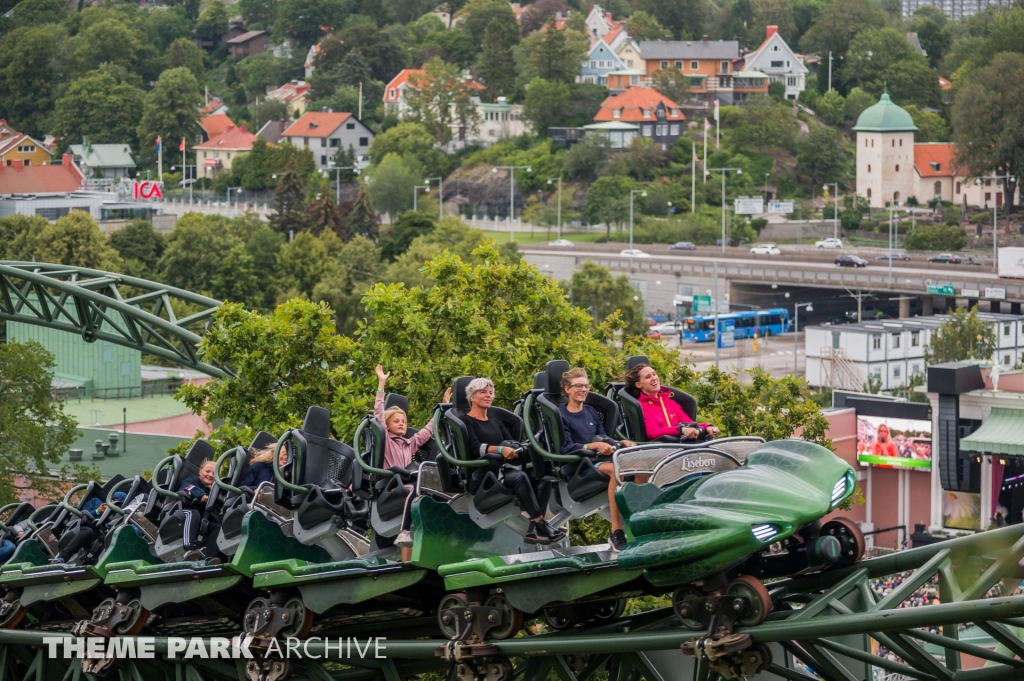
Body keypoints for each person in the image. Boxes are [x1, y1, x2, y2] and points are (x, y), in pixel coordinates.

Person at [462, 377, 564, 544]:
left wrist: (523, 449)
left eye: (490, 392)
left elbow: (512, 445)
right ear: (472, 397)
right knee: (520, 477)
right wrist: (501, 449)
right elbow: (475, 447)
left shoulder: (496, 422)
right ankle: (540, 523)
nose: (488, 395)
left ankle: (532, 529)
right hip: (485, 476)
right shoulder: (466, 422)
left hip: (505, 469)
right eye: (483, 392)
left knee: (544, 476)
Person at [374, 365, 452, 561]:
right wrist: (381, 384)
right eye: (397, 421)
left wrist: (443, 407)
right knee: (413, 490)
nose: (402, 424)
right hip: (392, 487)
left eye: (404, 421)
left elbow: (429, 430)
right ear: (389, 426)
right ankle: (404, 531)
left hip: (409, 481)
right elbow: (378, 417)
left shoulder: (411, 443)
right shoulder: (386, 441)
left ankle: (442, 536)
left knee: (436, 494)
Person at [558, 367, 637, 551]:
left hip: (600, 460)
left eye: (586, 386)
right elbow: (566, 448)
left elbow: (602, 438)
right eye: (578, 386)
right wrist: (591, 446)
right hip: (581, 467)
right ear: (567, 389)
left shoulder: (592, 412)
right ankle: (616, 530)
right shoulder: (561, 416)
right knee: (615, 470)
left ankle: (638, 520)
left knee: (638, 466)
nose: (583, 390)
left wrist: (620, 442)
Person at [624, 364, 720, 441]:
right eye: (648, 377)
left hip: (678, 449)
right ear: (638, 384)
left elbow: (689, 423)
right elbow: (653, 432)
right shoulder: (641, 407)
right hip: (658, 451)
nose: (654, 378)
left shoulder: (671, 403)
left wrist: (707, 427)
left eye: (654, 374)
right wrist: (681, 430)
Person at [49, 492, 128, 564]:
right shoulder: (97, 502)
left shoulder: (120, 514)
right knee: (87, 531)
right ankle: (62, 558)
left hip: (103, 535)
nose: (112, 502)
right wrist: (97, 511)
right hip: (88, 528)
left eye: (116, 501)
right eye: (112, 500)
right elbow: (82, 517)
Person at [179, 460, 221, 564]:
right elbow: (186, 488)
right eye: (207, 471)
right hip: (183, 511)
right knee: (193, 513)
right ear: (200, 472)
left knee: (217, 526)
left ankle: (210, 557)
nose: (210, 475)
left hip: (202, 519)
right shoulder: (192, 480)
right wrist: (201, 496)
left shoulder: (214, 490)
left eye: (213, 474)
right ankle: (188, 550)